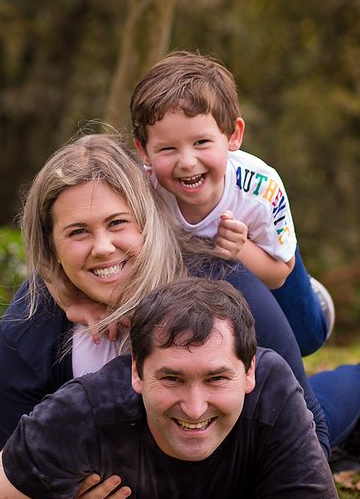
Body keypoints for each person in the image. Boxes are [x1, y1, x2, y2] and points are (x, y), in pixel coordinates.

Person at [0, 133, 360, 474]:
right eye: (77, 232)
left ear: (148, 219)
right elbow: (8, 459)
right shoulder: (35, 312)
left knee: (316, 405)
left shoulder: (227, 286)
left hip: (263, 334)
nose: (103, 248)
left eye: (118, 223)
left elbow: (313, 435)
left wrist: (265, 497)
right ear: (50, 243)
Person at [0, 277, 343, 499]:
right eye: (172, 379)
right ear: (137, 373)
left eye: (217, 379)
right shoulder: (86, 408)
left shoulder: (274, 387)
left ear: (249, 372)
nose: (194, 408)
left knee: (345, 397)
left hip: (321, 409)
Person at [130, 50, 333, 358]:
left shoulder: (261, 189)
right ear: (144, 152)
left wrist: (241, 249)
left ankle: (314, 297)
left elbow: (279, 273)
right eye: (168, 148)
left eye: (202, 142)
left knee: (306, 339)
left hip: (265, 251)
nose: (187, 162)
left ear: (233, 136)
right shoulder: (140, 189)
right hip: (196, 280)